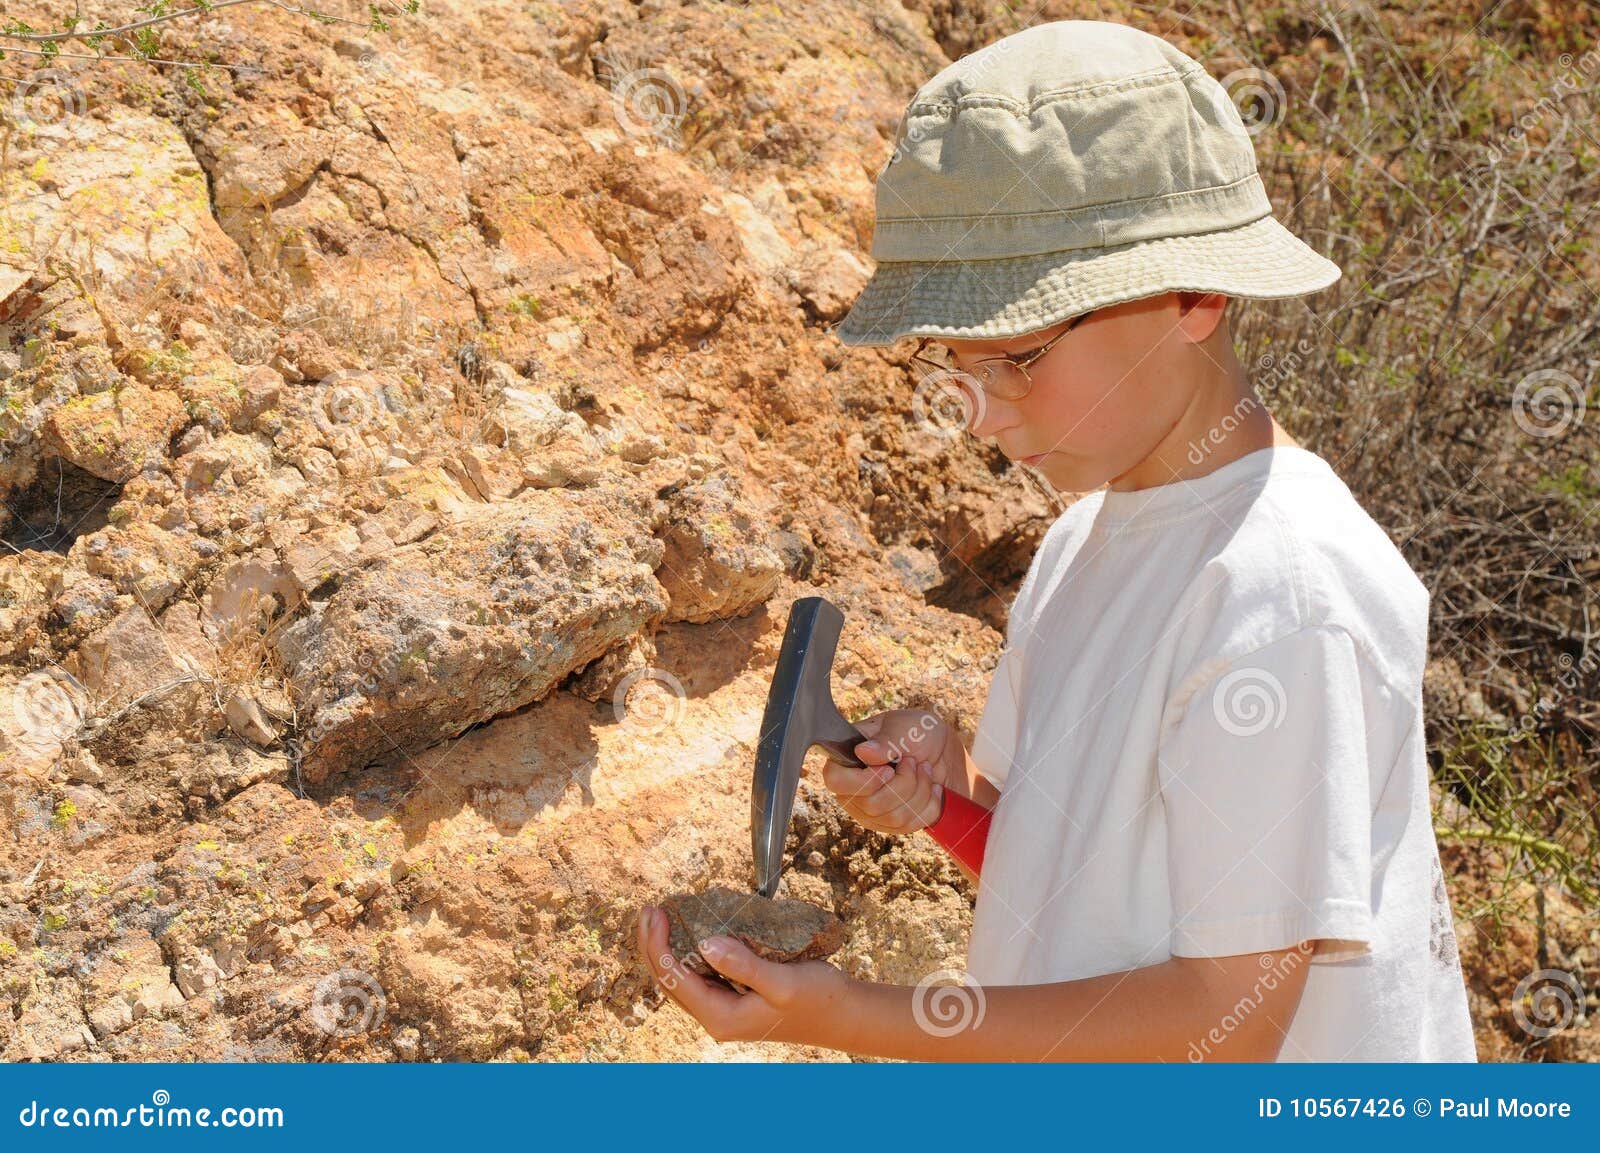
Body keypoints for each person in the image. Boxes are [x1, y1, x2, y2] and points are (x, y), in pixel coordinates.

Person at [636, 18, 1477, 1061]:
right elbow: (1093, 892)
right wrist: (948, 802)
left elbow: (1224, 1018)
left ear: (1193, 295)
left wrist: (852, 1015)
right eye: (958, 364)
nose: (981, 414)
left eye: (1022, 358)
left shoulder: (1279, 598)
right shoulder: (1087, 539)